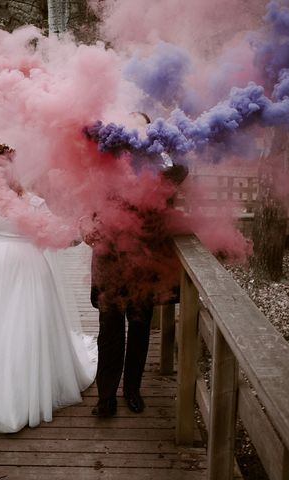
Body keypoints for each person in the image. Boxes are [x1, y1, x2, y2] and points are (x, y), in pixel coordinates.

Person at [0, 128, 96, 433]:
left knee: (20, 337)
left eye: (5, 165)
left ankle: (18, 402)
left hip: (27, 279)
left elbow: (60, 235)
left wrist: (82, 230)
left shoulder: (34, 202)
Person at [86, 114, 188, 418]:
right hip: (109, 263)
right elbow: (87, 211)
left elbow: (182, 171)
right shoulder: (104, 166)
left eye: (141, 127)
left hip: (144, 263)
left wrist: (161, 149)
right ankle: (106, 397)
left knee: (140, 329)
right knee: (109, 329)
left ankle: (132, 390)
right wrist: (87, 229)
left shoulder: (162, 168)